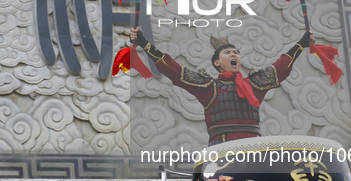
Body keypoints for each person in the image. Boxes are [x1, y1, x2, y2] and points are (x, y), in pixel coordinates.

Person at [130, 28, 314, 146]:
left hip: (254, 149)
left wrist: (301, 44)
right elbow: (175, 71)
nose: (233, 54)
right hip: (223, 150)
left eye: (236, 52)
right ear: (217, 62)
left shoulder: (255, 84)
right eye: (227, 52)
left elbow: (280, 67)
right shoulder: (208, 87)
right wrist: (146, 45)